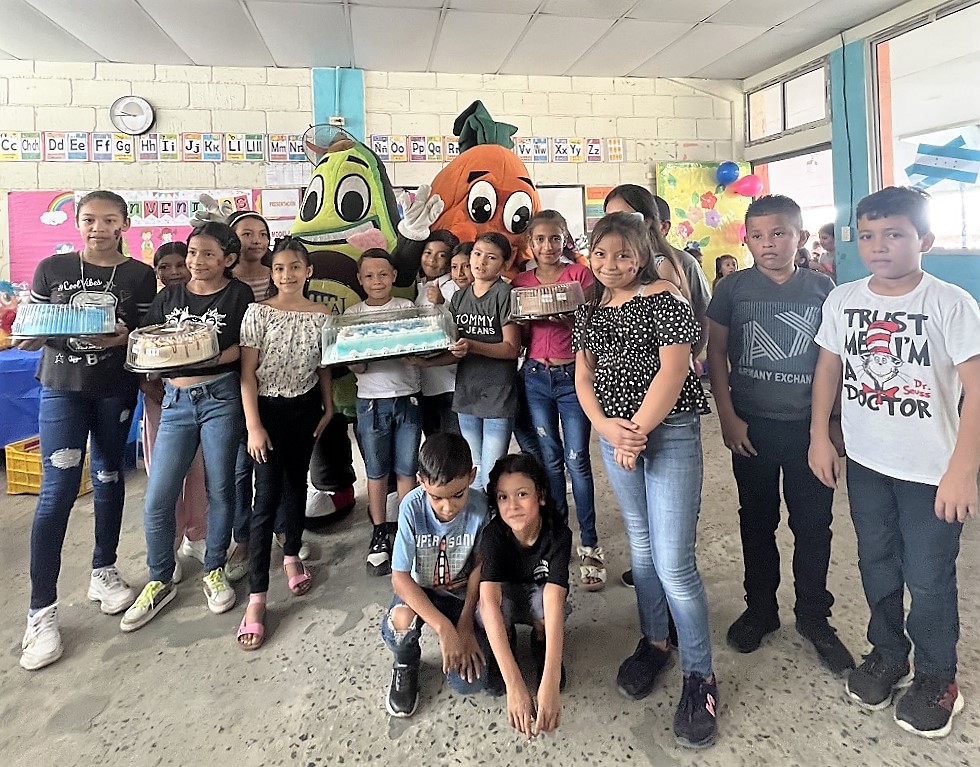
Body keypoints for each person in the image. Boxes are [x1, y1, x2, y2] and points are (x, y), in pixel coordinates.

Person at [809, 186, 980, 739]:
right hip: (867, 464)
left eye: (894, 234)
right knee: (876, 564)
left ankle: (937, 676)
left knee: (929, 577)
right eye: (867, 235)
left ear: (924, 240)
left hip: (931, 472)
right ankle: (888, 653)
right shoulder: (843, 299)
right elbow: (829, 371)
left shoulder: (950, 303)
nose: (878, 246)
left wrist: (962, 470)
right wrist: (820, 436)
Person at [574, 212, 718, 749]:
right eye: (601, 254)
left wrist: (634, 433)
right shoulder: (589, 312)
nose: (611, 264)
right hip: (616, 437)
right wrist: (606, 427)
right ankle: (655, 641)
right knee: (641, 549)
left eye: (623, 255)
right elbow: (583, 375)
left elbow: (673, 371)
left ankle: (700, 676)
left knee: (675, 560)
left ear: (642, 254)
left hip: (668, 433)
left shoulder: (665, 300)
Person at [705, 194, 855, 676]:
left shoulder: (824, 288)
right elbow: (717, 356)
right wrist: (727, 416)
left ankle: (814, 617)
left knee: (813, 527)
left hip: (808, 431)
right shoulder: (731, 289)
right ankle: (761, 610)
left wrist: (828, 430)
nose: (768, 244)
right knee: (757, 520)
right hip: (752, 428)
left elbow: (835, 364)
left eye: (779, 234)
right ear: (745, 238)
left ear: (801, 237)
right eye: (757, 235)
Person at [17, 191, 157, 671]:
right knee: (56, 492)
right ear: (77, 222)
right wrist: (29, 334)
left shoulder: (139, 275)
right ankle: (41, 611)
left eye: (109, 219)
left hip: (115, 390)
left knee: (110, 479)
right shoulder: (51, 269)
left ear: (125, 223)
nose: (99, 227)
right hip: (62, 388)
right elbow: (33, 326)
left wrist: (126, 338)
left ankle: (104, 569)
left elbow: (145, 335)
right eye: (90, 219)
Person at [120, 222, 253, 632]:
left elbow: (240, 348)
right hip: (176, 402)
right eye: (194, 252)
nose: (197, 261)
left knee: (220, 487)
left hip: (221, 399)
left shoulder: (238, 295)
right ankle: (160, 577)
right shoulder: (169, 296)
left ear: (228, 260)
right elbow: (151, 342)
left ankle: (214, 567)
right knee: (158, 494)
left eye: (208, 254)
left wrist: (198, 362)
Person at [606, 186, 711, 593]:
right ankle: (654, 606)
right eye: (610, 218)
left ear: (649, 221)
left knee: (672, 544)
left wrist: (689, 357)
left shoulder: (669, 266)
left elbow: (697, 317)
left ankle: (670, 596)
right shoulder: (613, 274)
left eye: (628, 217)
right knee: (643, 529)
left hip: (665, 412)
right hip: (621, 411)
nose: (618, 228)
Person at [236, 239, 333, 650]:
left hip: (307, 410)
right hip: (268, 413)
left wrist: (328, 407)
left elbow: (326, 364)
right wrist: (254, 425)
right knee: (266, 499)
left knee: (297, 488)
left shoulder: (325, 316)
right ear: (272, 273)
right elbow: (247, 374)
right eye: (279, 268)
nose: (287, 274)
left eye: (295, 267)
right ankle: (257, 598)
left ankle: (291, 554)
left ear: (308, 271)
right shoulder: (258, 313)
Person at [512, 210, 603, 591]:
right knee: (548, 457)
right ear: (529, 245)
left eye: (554, 238)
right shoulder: (520, 282)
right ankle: (558, 535)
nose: (547, 246)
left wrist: (570, 319)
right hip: (534, 377)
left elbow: (592, 325)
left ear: (565, 239)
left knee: (577, 459)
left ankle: (591, 543)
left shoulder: (580, 277)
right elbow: (516, 330)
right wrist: (522, 318)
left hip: (572, 378)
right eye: (540, 240)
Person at [382, 433, 490, 717]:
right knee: (400, 624)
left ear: (471, 476)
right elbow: (400, 579)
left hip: (462, 595)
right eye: (436, 497)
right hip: (422, 591)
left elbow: (480, 566)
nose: (447, 507)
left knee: (471, 682)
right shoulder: (411, 507)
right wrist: (444, 628)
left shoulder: (481, 509)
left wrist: (464, 624)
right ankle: (406, 663)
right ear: (421, 482)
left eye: (457, 495)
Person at [480, 453, 572, 740]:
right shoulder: (493, 535)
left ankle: (539, 641)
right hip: (507, 602)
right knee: (491, 610)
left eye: (522, 494)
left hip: (538, 602)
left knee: (547, 601)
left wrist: (550, 680)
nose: (513, 506)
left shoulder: (559, 535)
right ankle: (506, 646)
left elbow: (556, 603)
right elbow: (488, 603)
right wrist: (515, 684)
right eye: (503, 497)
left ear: (541, 497)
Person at [418, 232, 520, 490]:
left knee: (492, 469)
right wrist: (424, 362)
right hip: (467, 395)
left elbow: (511, 348)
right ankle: (479, 526)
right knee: (471, 468)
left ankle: (495, 524)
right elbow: (455, 346)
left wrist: (473, 345)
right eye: (477, 254)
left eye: (491, 257)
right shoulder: (461, 298)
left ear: (505, 264)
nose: (481, 262)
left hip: (497, 395)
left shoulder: (505, 294)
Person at [347, 249, 423, 576]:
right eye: (369, 276)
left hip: (408, 398)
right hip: (370, 402)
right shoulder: (351, 315)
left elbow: (418, 348)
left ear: (393, 275)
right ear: (360, 280)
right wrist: (354, 359)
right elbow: (354, 362)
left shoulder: (407, 309)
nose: (376, 281)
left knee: (407, 470)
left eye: (382, 274)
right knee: (376, 472)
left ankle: (406, 531)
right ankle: (379, 533)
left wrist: (412, 353)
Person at [142, 242, 208, 584]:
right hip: (161, 399)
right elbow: (141, 346)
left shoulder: (200, 301)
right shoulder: (161, 303)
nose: (173, 273)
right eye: (163, 267)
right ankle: (168, 545)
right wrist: (147, 385)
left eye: (180, 264)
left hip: (199, 398)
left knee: (198, 470)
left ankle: (197, 535)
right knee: (164, 476)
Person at [414, 229, 461, 437]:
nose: (432, 260)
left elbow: (461, 327)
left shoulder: (452, 288)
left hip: (449, 386)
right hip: (425, 384)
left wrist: (443, 303)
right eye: (427, 252)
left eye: (441, 255)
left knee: (452, 447)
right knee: (433, 443)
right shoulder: (421, 287)